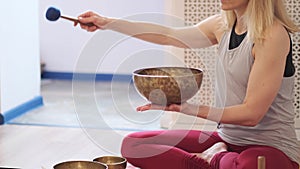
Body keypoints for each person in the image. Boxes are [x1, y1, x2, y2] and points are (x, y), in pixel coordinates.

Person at [76, 0, 300, 168]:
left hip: (272, 147)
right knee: (133, 145)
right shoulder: (222, 25)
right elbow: (169, 35)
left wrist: (188, 109)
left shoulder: (272, 35)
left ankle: (216, 157)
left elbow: (252, 114)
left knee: (253, 164)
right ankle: (213, 159)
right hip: (226, 138)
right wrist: (107, 23)